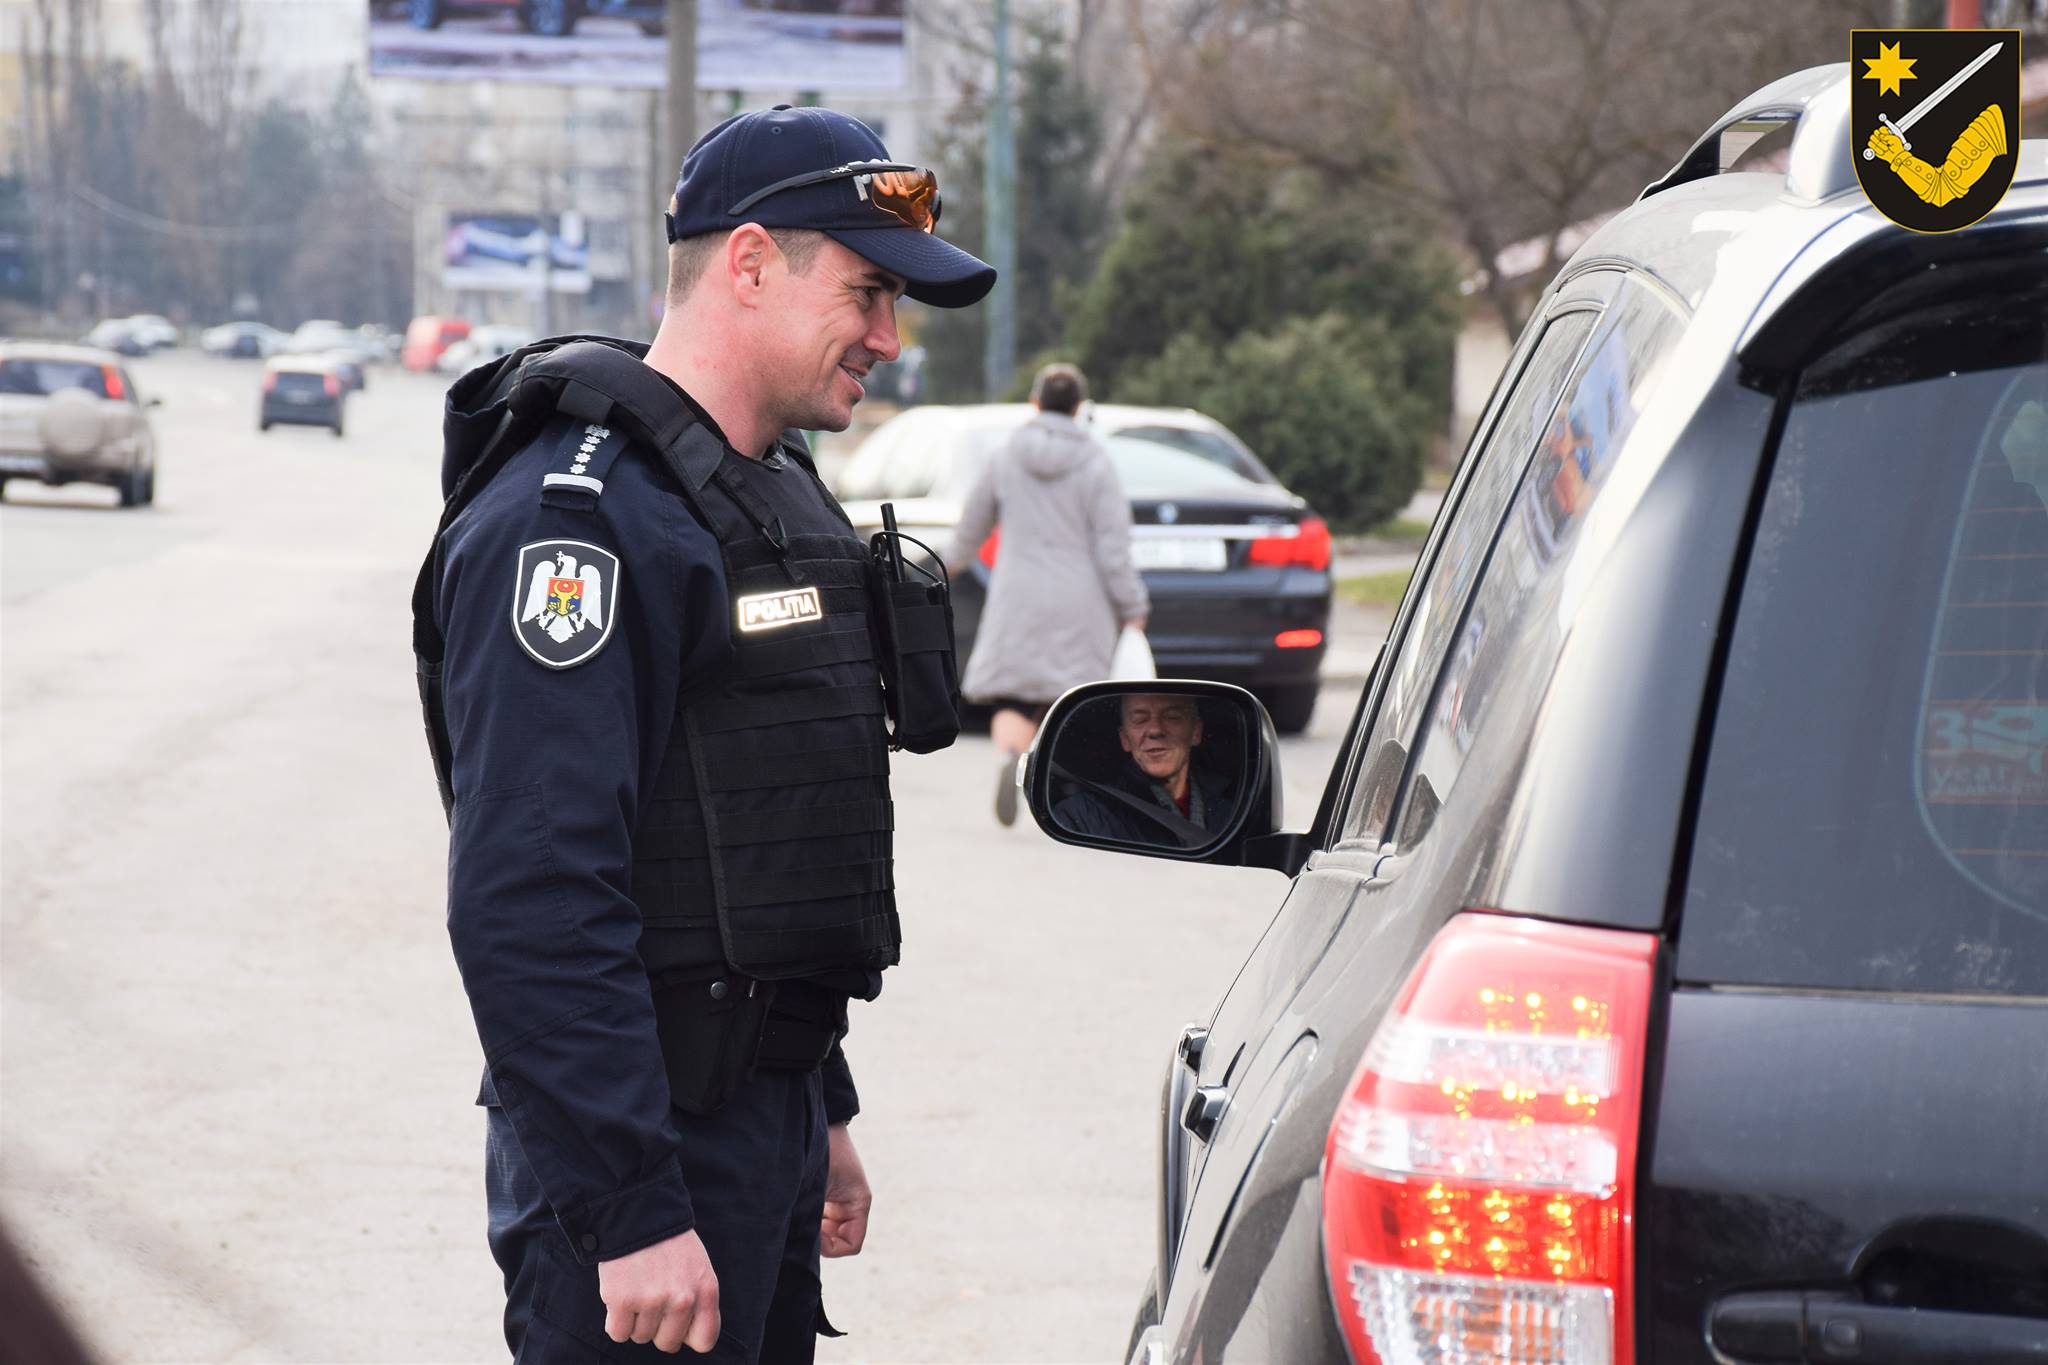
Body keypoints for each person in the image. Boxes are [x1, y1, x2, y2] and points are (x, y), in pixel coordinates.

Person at [413, 105, 993, 1363]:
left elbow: (774, 832)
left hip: (757, 1121)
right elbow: (533, 895)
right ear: (746, 262)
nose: (889, 338)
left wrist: (817, 1105)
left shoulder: (768, 490)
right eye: (868, 292)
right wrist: (628, 1212)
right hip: (640, 1155)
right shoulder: (574, 524)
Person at [944, 362, 1149, 826]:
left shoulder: (1006, 455)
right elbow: (1113, 545)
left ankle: (1010, 756)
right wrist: (1133, 607)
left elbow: (969, 531)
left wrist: (941, 565)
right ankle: (1066, 790)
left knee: (1015, 694)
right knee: (1074, 696)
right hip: (1083, 599)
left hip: (1017, 593)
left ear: (1035, 403)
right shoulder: (1097, 462)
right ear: (1078, 409)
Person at [1053, 692, 1236, 846]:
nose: (1155, 730)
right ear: (1125, 739)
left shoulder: (1234, 812)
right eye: (1140, 720)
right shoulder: (1080, 816)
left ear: (1196, 732)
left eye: (1172, 717)